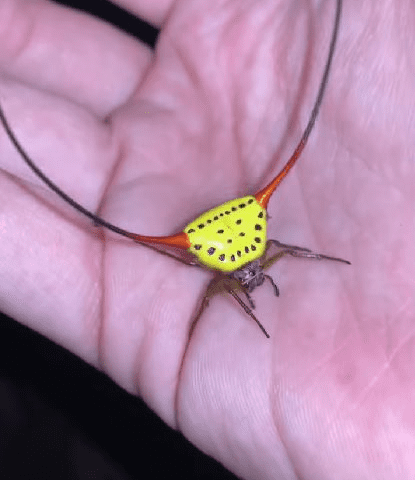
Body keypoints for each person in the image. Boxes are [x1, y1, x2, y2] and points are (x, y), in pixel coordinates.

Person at [0, 0, 413, 478]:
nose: (254, 280)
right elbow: (238, 278)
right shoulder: (235, 272)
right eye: (251, 278)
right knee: (133, 235)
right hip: (218, 237)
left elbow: (270, 255)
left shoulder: (252, 263)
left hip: (224, 235)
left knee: (138, 234)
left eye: (252, 277)